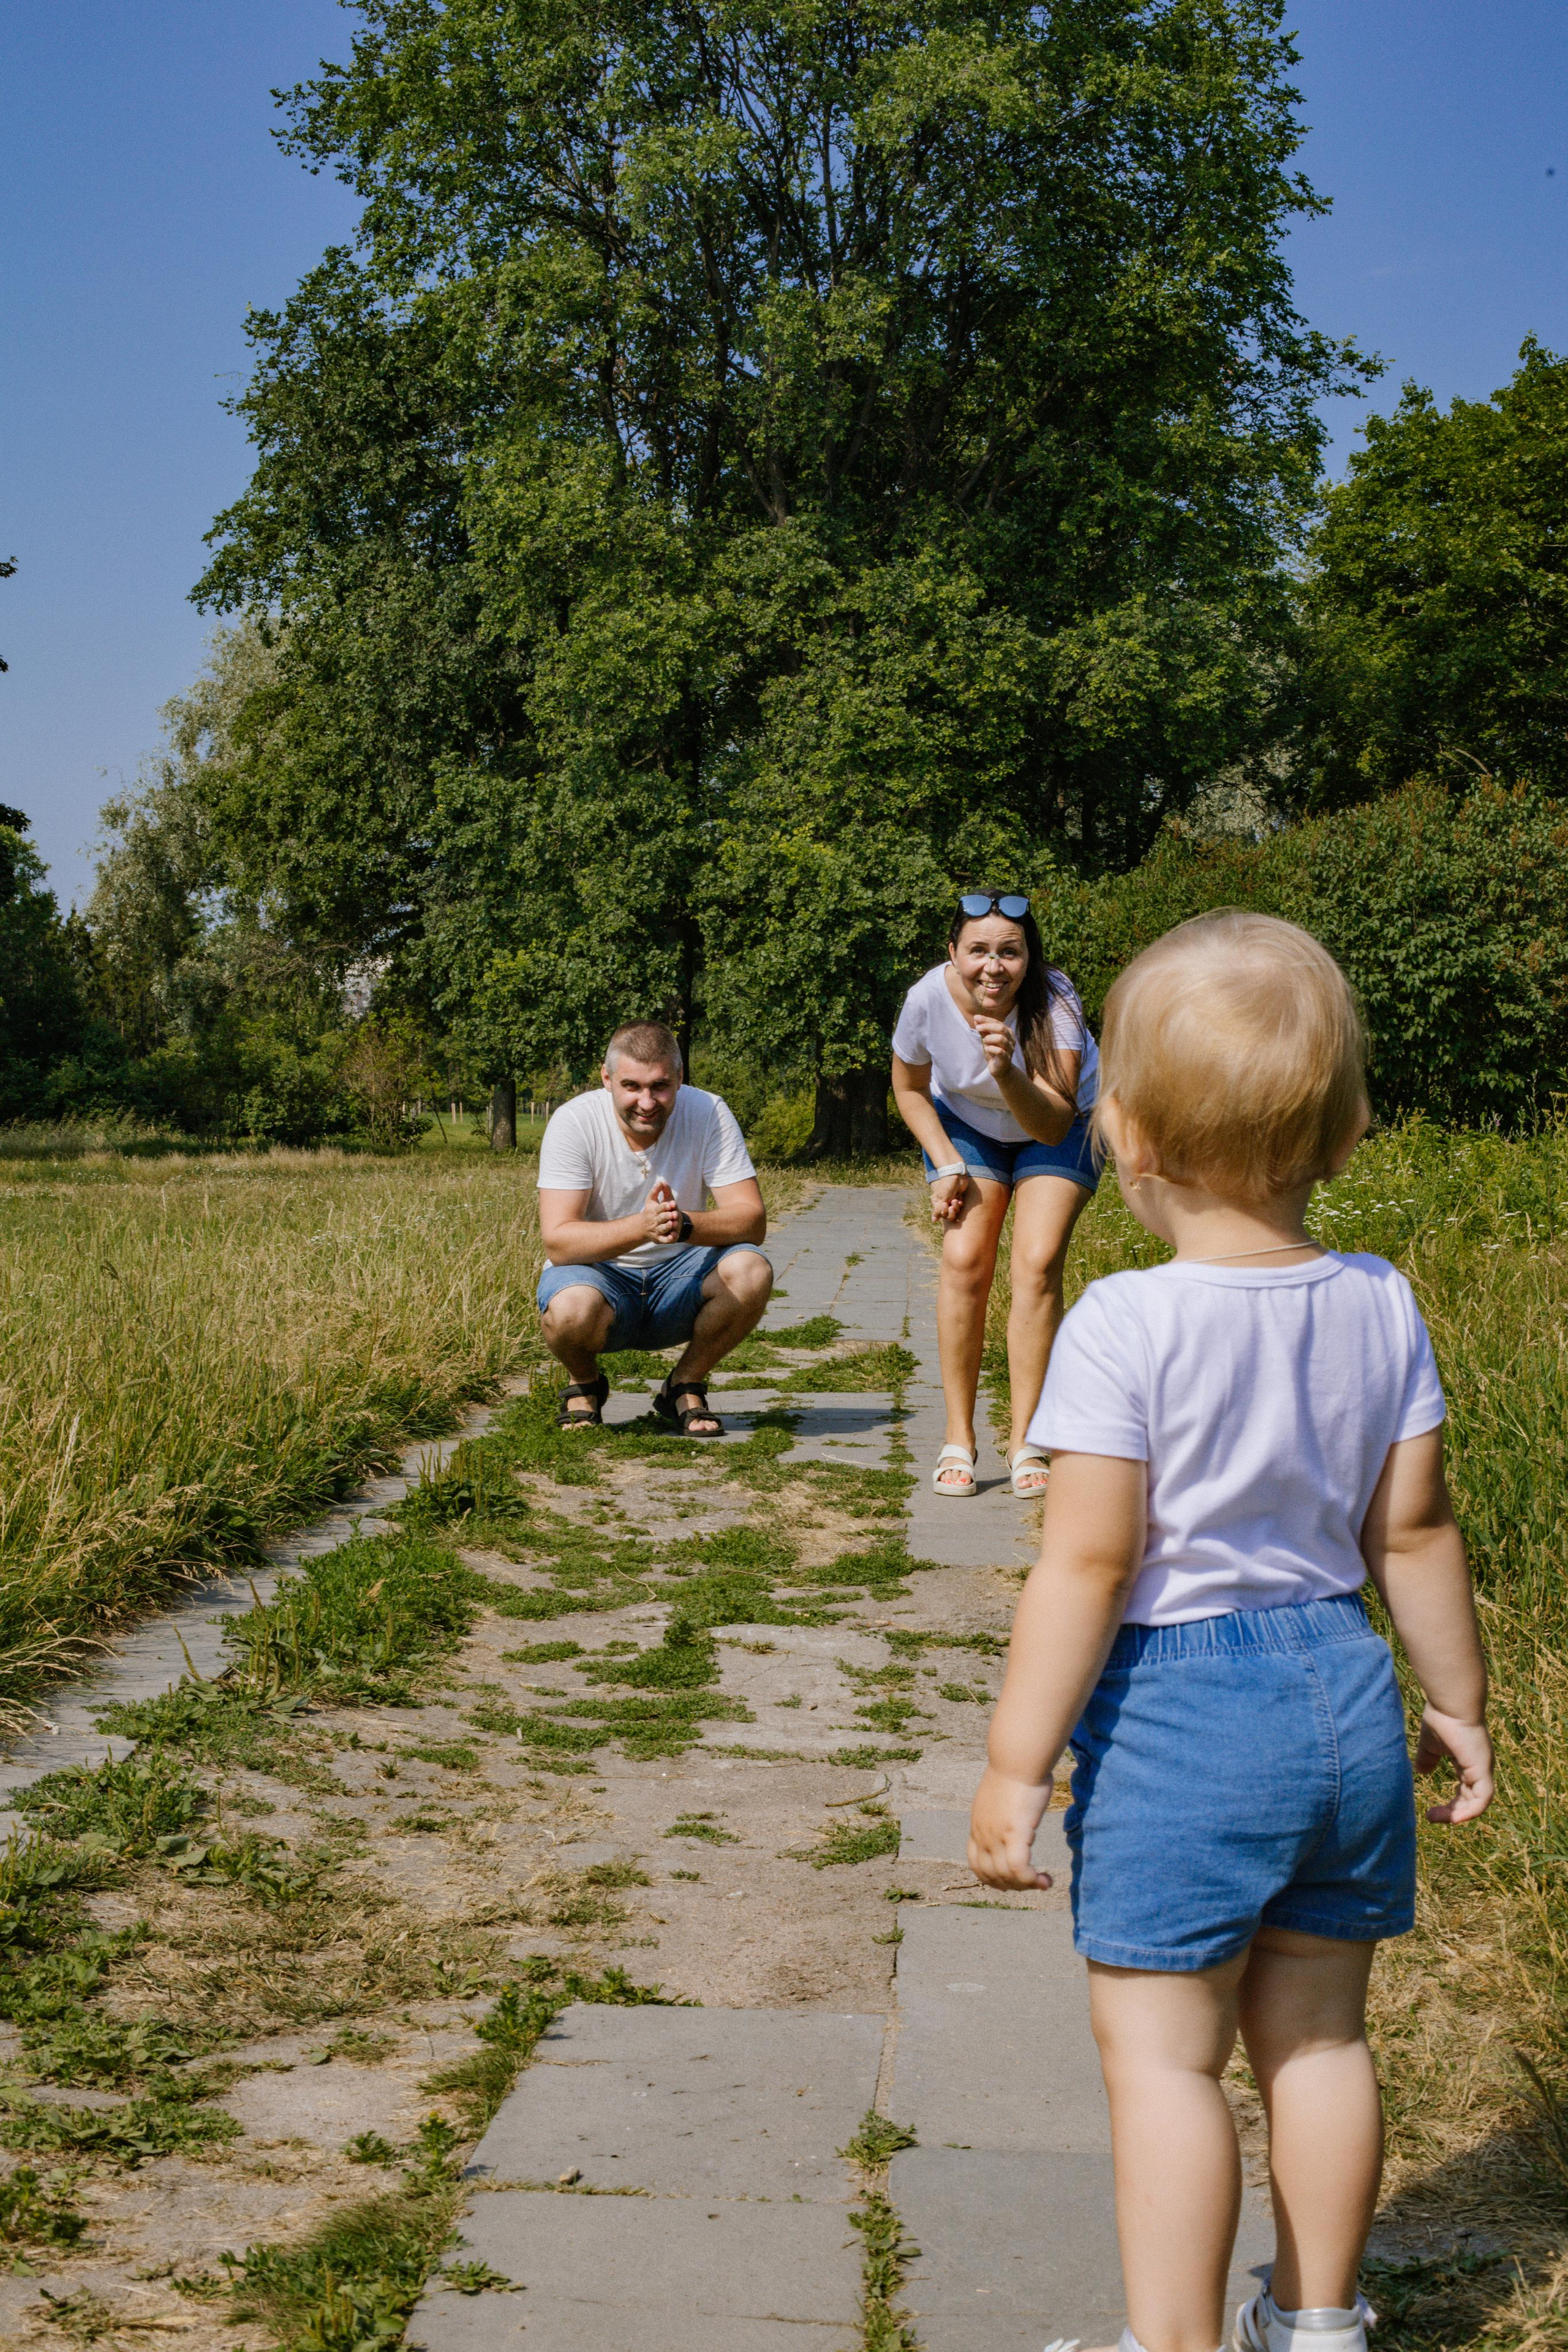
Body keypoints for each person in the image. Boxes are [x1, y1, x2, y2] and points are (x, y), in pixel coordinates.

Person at [968, 911, 1494, 2352]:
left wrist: (1017, 1760)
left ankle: (1173, 2342)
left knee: (1164, 2063)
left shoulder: (1121, 1324)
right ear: (1338, 1133)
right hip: (1339, 1685)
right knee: (1319, 2035)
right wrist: (1455, 1698)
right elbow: (1411, 1530)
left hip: (1181, 1720)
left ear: (1118, 1133)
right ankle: (1317, 2320)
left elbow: (1085, 1563)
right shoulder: (1376, 1299)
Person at [891, 889, 1099, 1499]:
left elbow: (1052, 1122)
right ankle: (959, 1436)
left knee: (1035, 1264)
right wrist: (946, 1162)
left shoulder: (1054, 1000)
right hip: (968, 1127)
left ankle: (1028, 1439)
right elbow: (908, 1088)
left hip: (1058, 1123)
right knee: (963, 1260)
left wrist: (1007, 1070)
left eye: (1009, 952)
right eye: (978, 950)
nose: (993, 966)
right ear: (951, 952)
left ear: (1029, 958)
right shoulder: (926, 999)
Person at [535, 1020, 772, 1436]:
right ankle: (585, 1383)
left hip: (680, 1278)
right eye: (632, 1086)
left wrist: (681, 1225)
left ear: (680, 1079)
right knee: (570, 1309)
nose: (647, 1102)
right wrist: (641, 1227)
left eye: (660, 1086)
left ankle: (685, 1384)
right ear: (607, 1079)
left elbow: (752, 1220)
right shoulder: (573, 1121)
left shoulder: (709, 1112)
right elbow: (559, 1242)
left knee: (752, 1271)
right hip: (598, 1276)